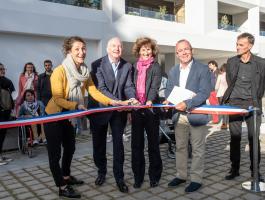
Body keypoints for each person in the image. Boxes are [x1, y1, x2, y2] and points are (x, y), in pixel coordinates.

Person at [44, 36, 123, 199]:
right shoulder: (59, 71)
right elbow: (57, 98)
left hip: (69, 116)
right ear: (69, 51)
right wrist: (76, 106)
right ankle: (62, 186)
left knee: (70, 148)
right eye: (77, 49)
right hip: (54, 116)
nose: (82, 52)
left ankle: (66, 176)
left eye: (83, 48)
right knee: (55, 154)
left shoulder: (84, 71)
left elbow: (93, 91)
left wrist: (112, 101)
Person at [88, 37, 138, 193]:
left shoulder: (127, 65)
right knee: (99, 145)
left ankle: (119, 177)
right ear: (107, 49)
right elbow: (101, 89)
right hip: (100, 109)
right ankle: (101, 172)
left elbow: (129, 86)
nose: (117, 48)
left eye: (120, 46)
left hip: (119, 113)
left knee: (118, 145)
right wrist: (120, 102)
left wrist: (131, 98)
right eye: (114, 46)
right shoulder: (97, 65)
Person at [165, 39, 211, 193]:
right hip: (179, 115)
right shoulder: (173, 71)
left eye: (186, 49)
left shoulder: (203, 69)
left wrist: (187, 103)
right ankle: (181, 175)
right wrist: (168, 98)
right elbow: (169, 90)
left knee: (198, 148)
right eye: (180, 50)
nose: (184, 52)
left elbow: (204, 92)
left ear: (192, 50)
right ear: (177, 54)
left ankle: (196, 179)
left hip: (196, 113)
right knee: (180, 147)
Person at [222, 32, 265, 180]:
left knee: (254, 138)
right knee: (235, 138)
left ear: (250, 46)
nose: (237, 47)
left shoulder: (261, 62)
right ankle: (234, 169)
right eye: (237, 44)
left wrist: (257, 99)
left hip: (253, 104)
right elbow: (230, 81)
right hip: (234, 104)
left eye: (241, 45)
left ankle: (255, 171)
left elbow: (262, 84)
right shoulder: (231, 61)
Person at [130, 37, 162, 189]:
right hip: (137, 110)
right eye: (143, 49)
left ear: (152, 50)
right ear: (139, 51)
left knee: (153, 145)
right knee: (137, 145)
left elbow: (155, 86)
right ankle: (138, 176)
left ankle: (154, 176)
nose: (146, 52)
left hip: (150, 110)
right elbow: (130, 86)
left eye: (148, 49)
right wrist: (133, 101)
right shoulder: (134, 67)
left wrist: (149, 100)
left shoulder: (156, 66)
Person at [0, 63, 15, 165]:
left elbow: (10, 96)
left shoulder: (7, 81)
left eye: (3, 69)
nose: (2, 70)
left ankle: (0, 155)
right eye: (0, 69)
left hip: (6, 111)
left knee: (2, 134)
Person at [215, 63, 228, 129]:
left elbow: (217, 86)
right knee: (228, 109)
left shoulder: (220, 75)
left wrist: (216, 92)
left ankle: (224, 124)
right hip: (228, 94)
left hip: (220, 94)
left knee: (223, 109)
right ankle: (227, 123)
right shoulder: (230, 75)